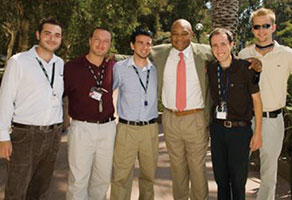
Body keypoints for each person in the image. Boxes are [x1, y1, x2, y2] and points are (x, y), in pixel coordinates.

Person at [0, 18, 64, 199]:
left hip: (53, 135)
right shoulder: (19, 61)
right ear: (38, 35)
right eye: (47, 34)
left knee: (40, 190)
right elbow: (6, 99)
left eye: (57, 35)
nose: (52, 39)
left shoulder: (60, 64)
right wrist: (3, 136)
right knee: (16, 191)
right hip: (25, 136)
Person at [150, 19, 213, 200]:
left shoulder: (205, 53)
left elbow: (228, 57)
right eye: (175, 34)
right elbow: (138, 53)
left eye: (184, 33)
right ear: (170, 35)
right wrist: (112, 57)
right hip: (170, 119)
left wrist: (253, 61)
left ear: (191, 34)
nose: (179, 38)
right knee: (177, 169)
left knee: (197, 169)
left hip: (196, 119)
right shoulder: (161, 53)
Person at [239, 8, 292, 200]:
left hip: (273, 120)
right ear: (252, 30)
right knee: (237, 168)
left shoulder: (287, 54)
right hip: (245, 119)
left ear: (274, 27)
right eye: (257, 26)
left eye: (266, 26)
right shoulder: (243, 54)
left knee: (269, 173)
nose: (261, 30)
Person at [207, 28, 262, 200]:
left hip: (240, 132)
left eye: (223, 44)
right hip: (217, 131)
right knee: (221, 181)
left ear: (232, 45)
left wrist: (258, 133)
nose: (219, 49)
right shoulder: (210, 68)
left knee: (238, 183)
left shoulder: (246, 68)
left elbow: (257, 102)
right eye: (214, 45)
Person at [64, 27, 116, 200]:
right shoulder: (71, 68)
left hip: (108, 128)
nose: (101, 44)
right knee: (78, 180)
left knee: (102, 180)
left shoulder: (113, 66)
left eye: (106, 41)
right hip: (82, 129)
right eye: (97, 39)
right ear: (89, 40)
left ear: (109, 45)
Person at [110, 28, 158, 200]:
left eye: (148, 44)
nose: (144, 47)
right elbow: (108, 91)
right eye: (140, 43)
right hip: (126, 129)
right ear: (132, 45)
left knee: (148, 177)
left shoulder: (156, 70)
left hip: (150, 130)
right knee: (121, 177)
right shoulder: (120, 68)